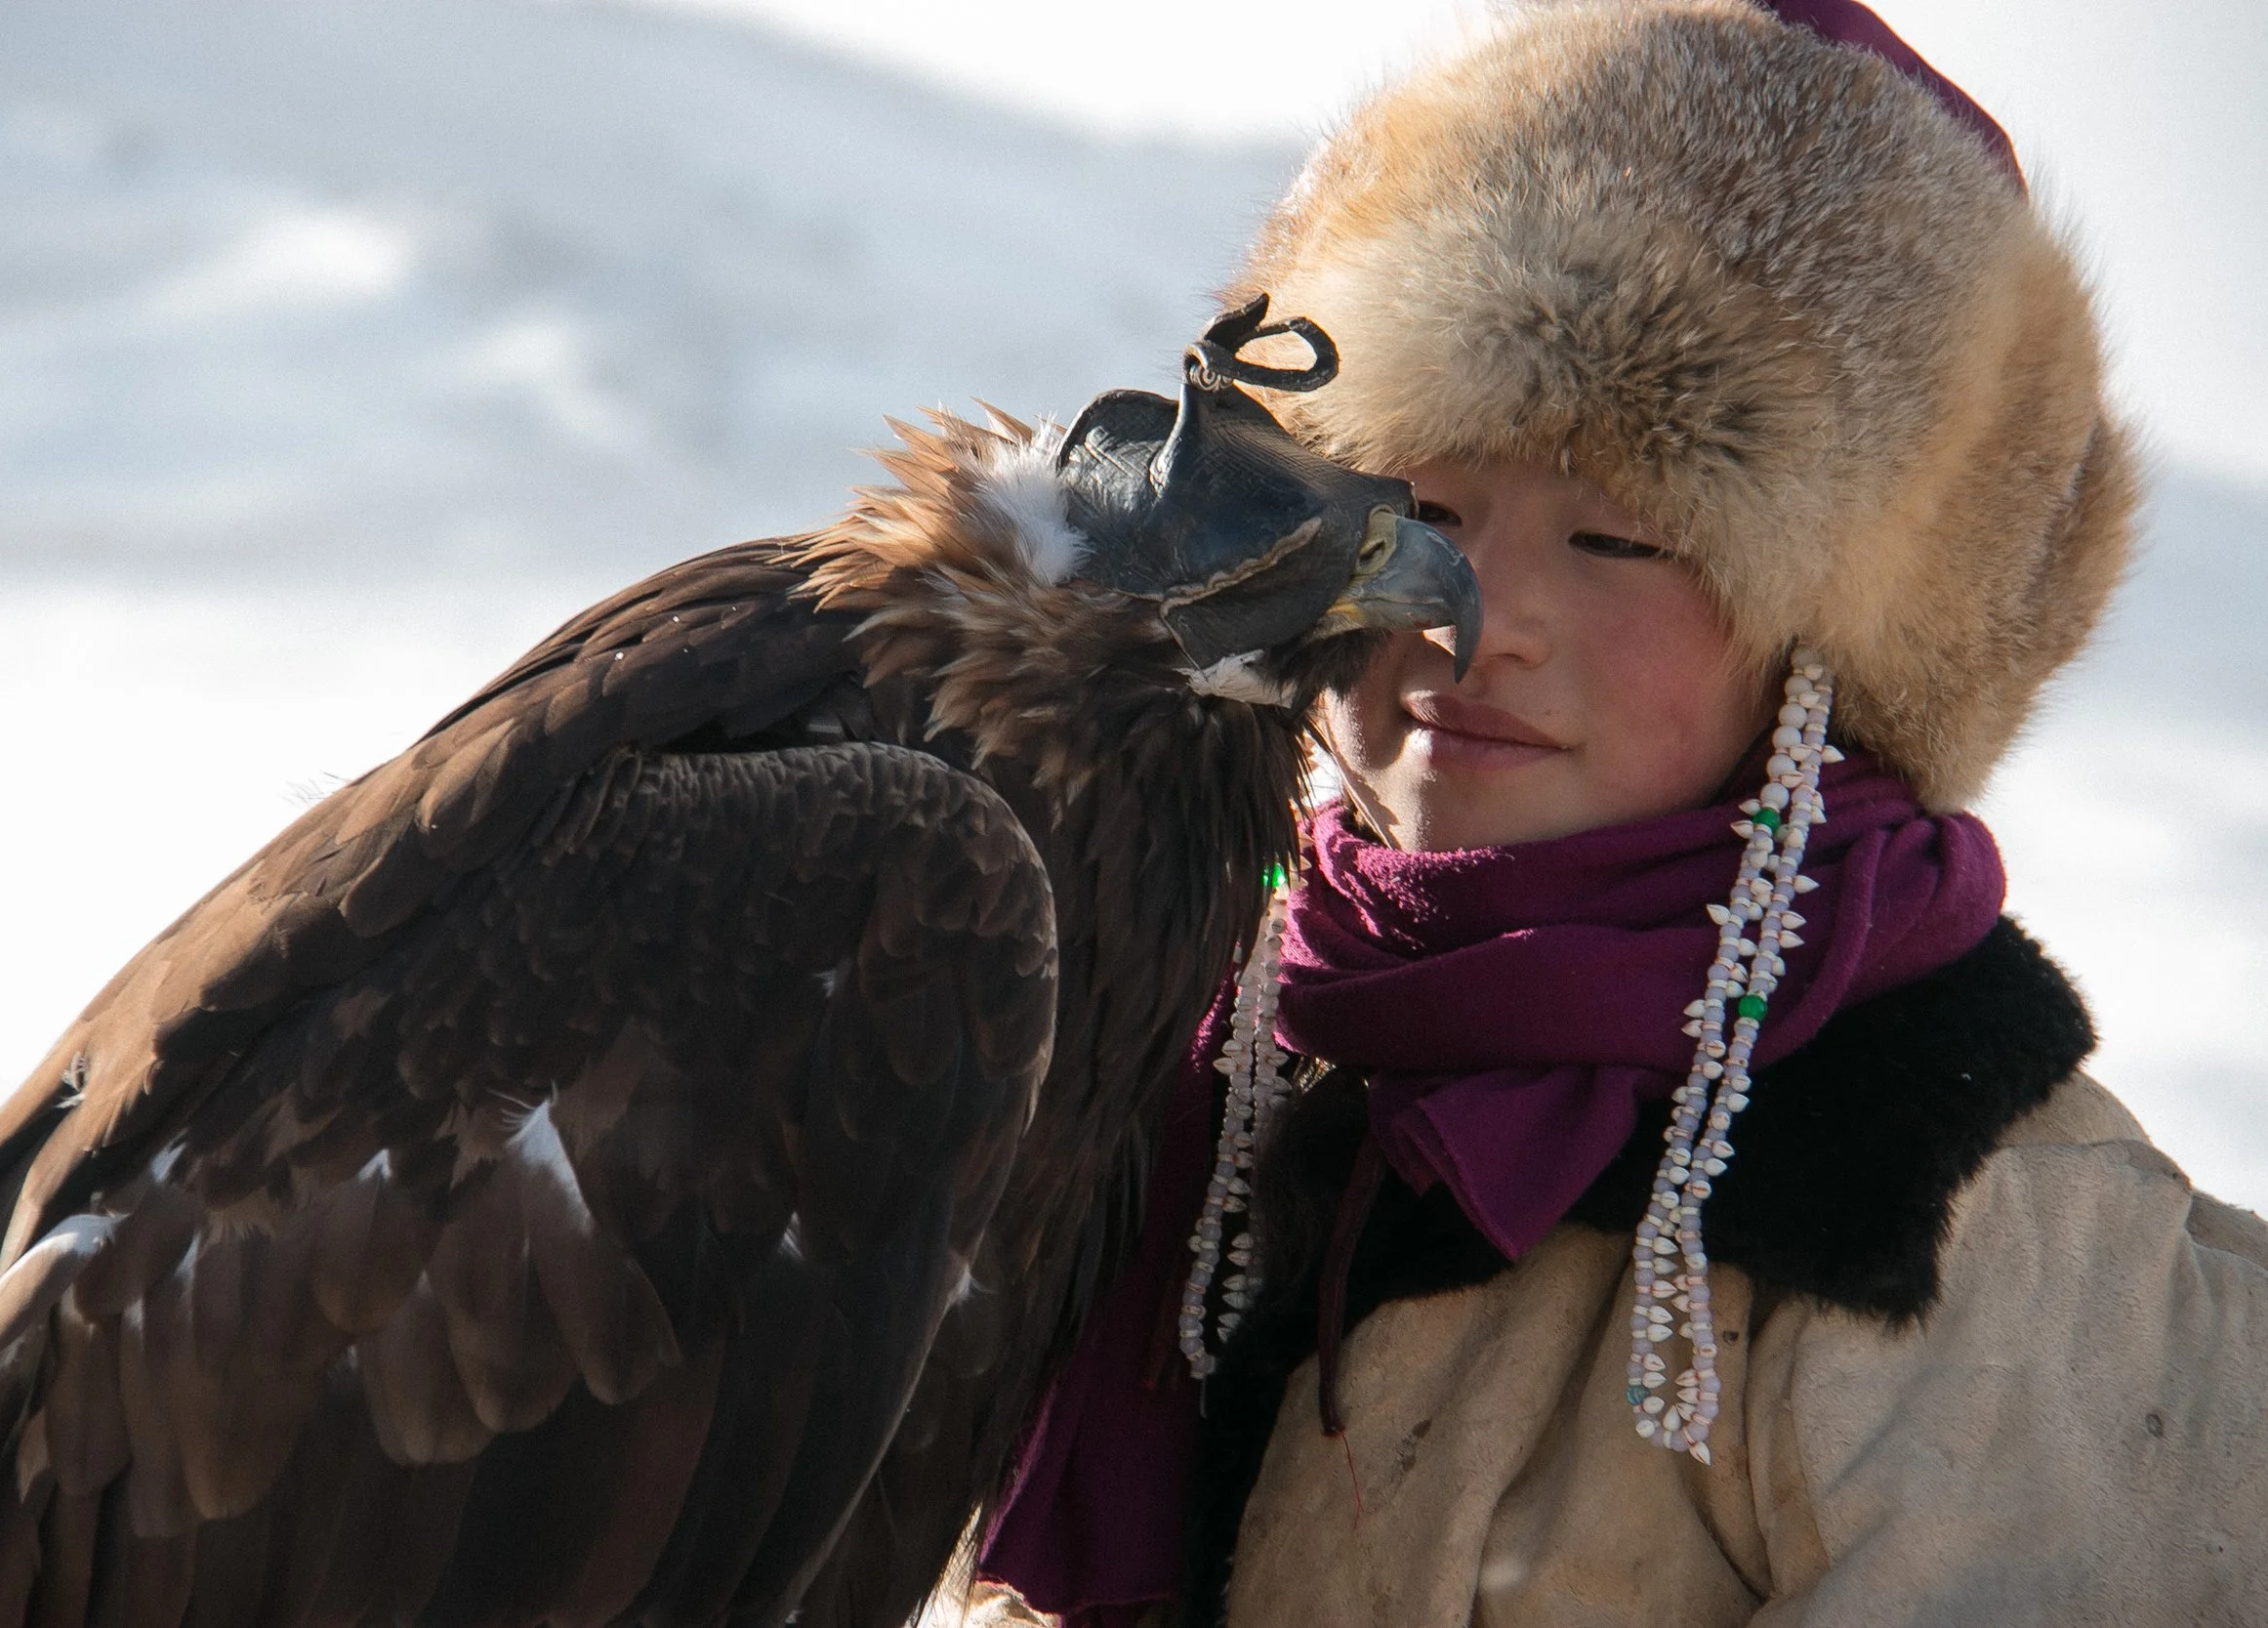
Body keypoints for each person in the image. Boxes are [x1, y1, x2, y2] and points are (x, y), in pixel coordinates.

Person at [972, 1, 2268, 1623]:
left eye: (1622, 540)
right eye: (1417, 510)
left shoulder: (1977, 1225)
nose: (1477, 617)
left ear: (1830, 647)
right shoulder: (1153, 1058)